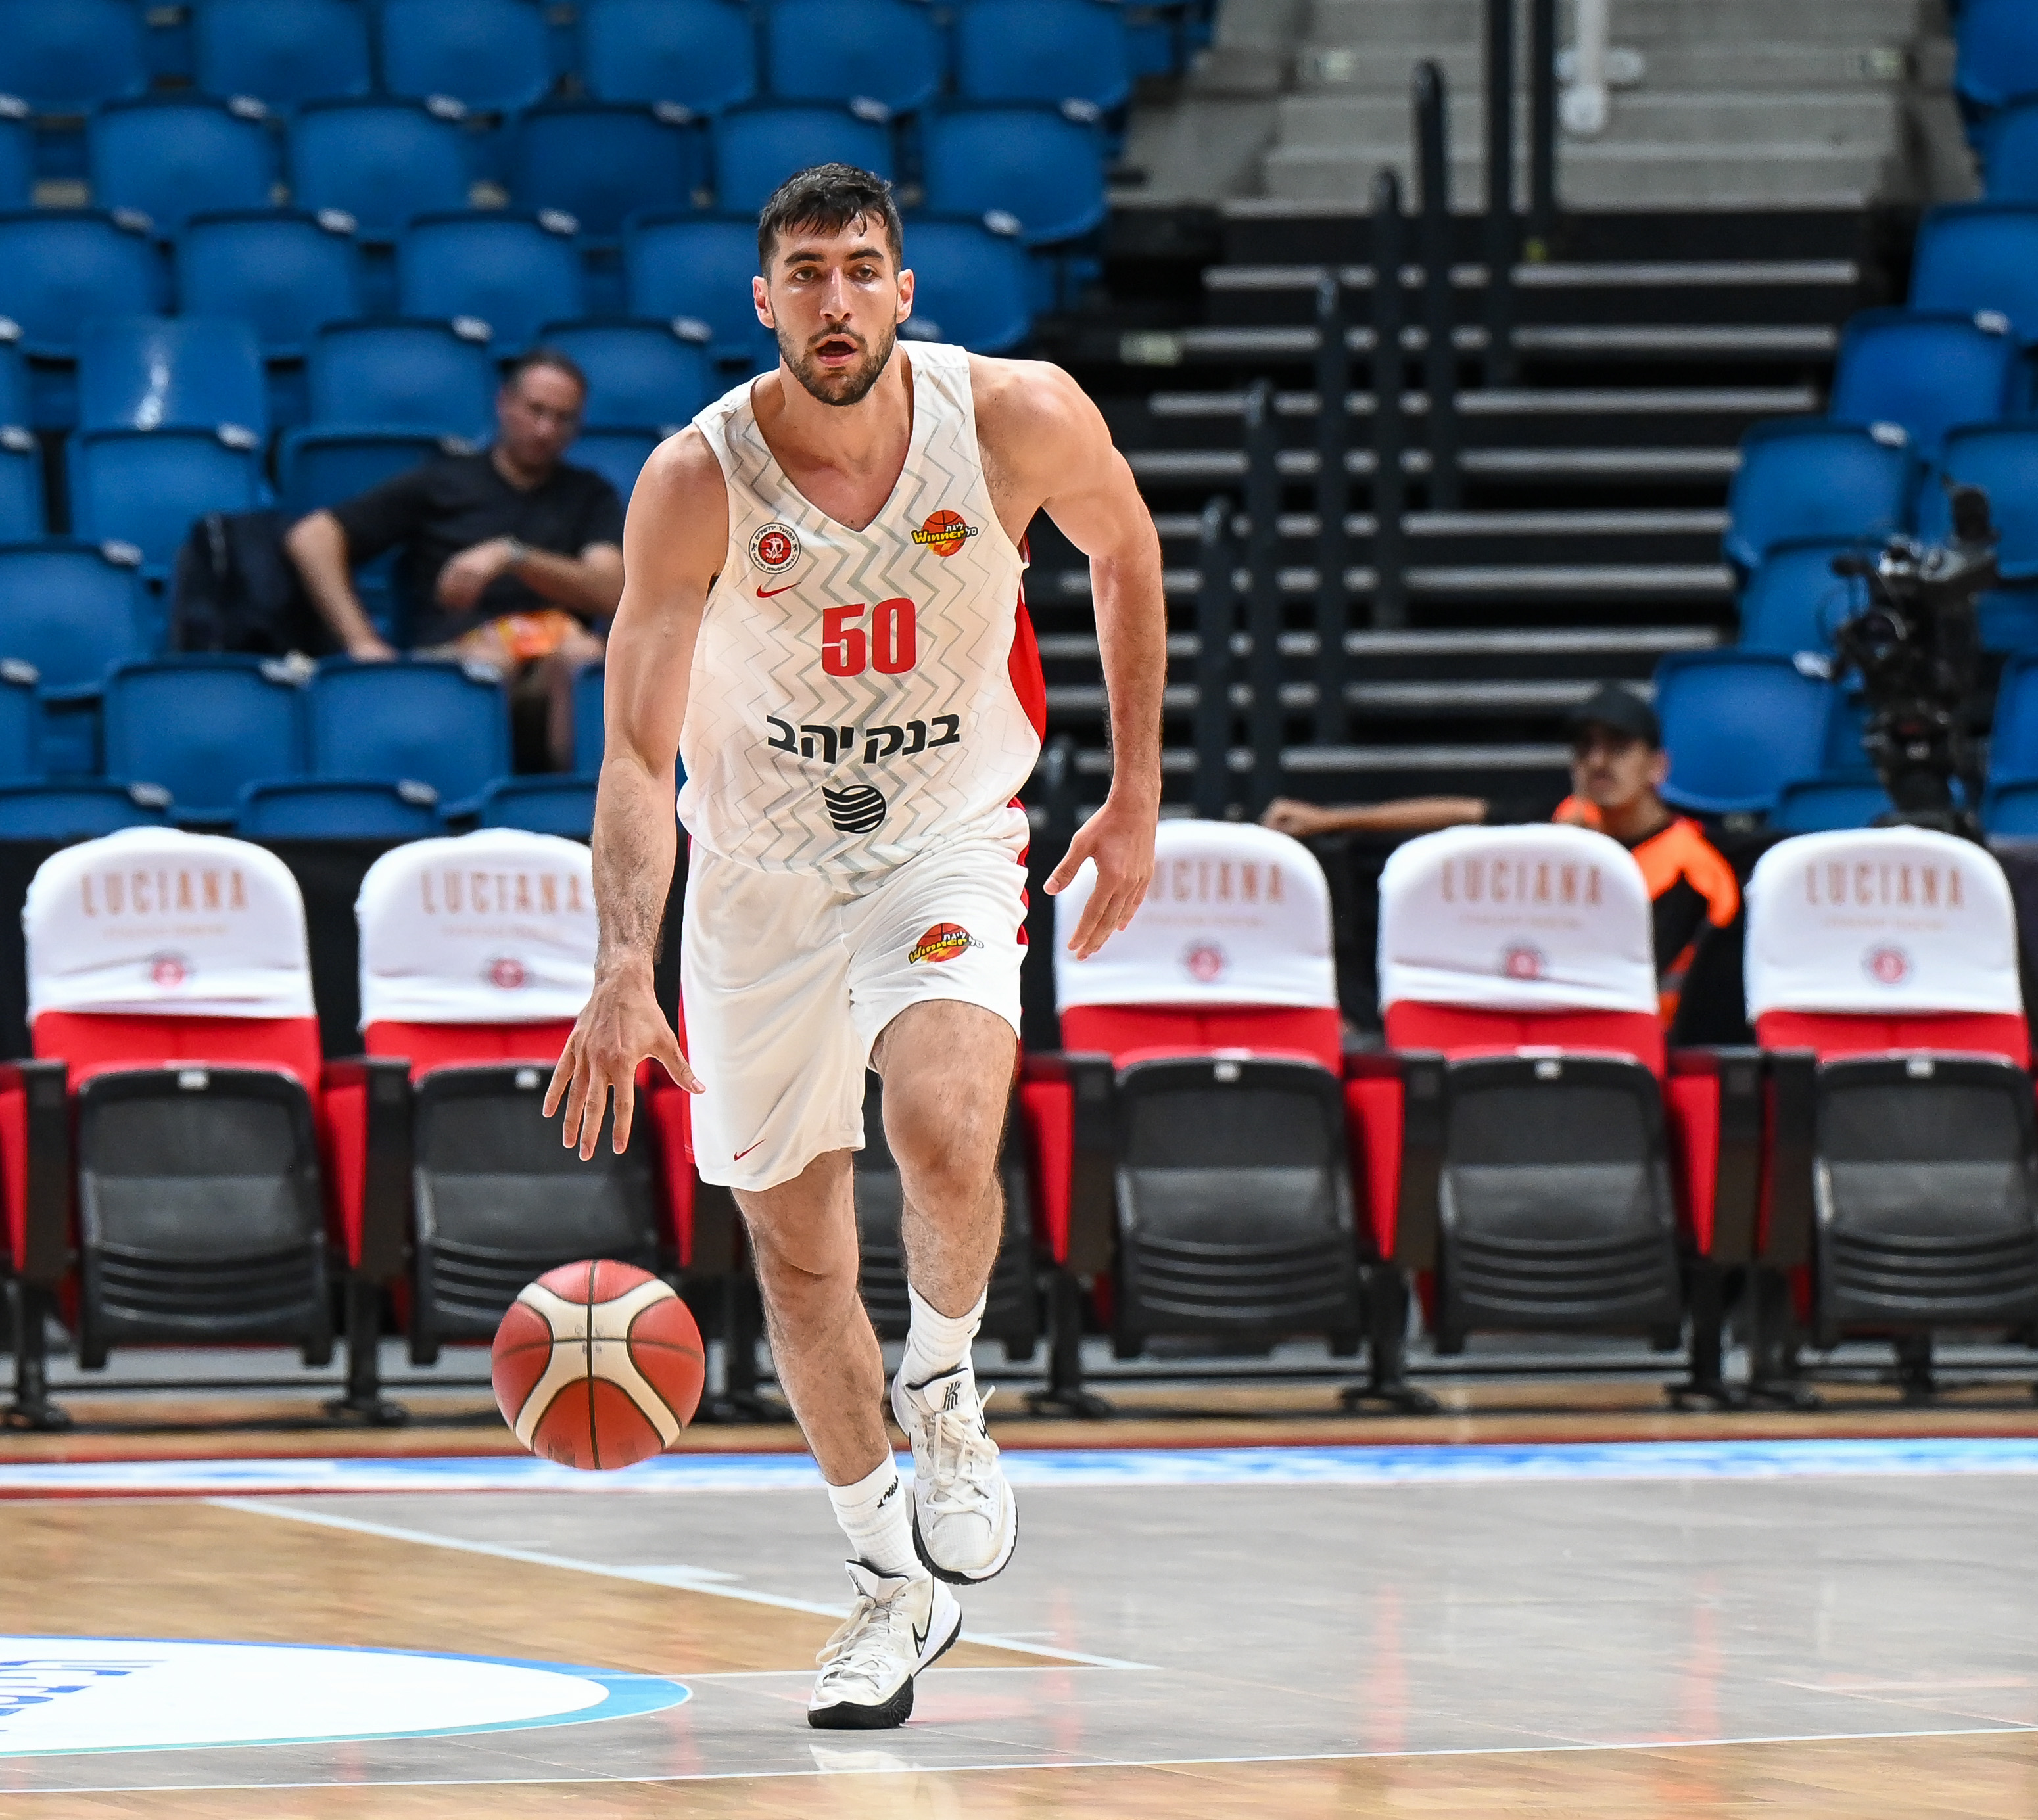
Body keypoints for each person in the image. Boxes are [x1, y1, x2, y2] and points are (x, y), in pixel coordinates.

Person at [543, 165, 1164, 1729]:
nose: (835, 297)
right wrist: (622, 957)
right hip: (757, 878)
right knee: (800, 1251)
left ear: (903, 292)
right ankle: (886, 1579)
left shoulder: (1011, 416)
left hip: (942, 839)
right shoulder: (696, 480)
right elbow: (635, 754)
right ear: (763, 302)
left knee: (943, 1122)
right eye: (806, 272)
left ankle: (943, 1380)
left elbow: (1125, 546)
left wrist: (1137, 789)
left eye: (861, 267)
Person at [1264, 682, 1739, 1021]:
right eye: (1584, 748)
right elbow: (1464, 812)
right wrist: (1331, 820)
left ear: (1657, 767)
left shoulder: (1690, 865)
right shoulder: (1562, 821)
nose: (1597, 761)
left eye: (1617, 747)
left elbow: (1627, 978)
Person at [283, 349, 625, 769]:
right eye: (535, 411)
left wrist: (514, 556)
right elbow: (313, 537)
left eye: (563, 418)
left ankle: (576, 797)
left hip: (550, 668)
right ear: (504, 403)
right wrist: (362, 642)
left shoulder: (589, 495)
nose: (545, 429)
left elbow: (611, 590)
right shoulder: (445, 481)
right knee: (489, 664)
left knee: (584, 656)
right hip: (458, 657)